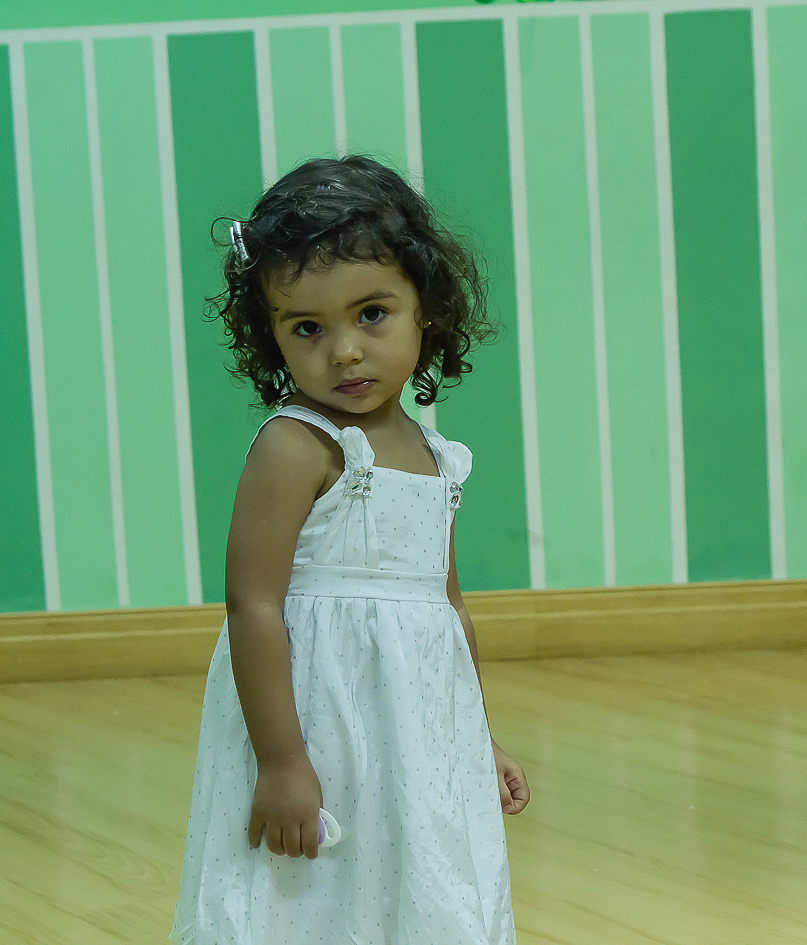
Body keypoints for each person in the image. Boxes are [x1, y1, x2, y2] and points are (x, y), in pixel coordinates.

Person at [170, 156, 530, 945]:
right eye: (307, 327)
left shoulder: (437, 456)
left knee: (417, 887)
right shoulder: (298, 447)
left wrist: (474, 734)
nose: (344, 350)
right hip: (315, 724)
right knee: (311, 899)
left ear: (425, 308)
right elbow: (252, 604)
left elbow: (446, 609)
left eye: (372, 313)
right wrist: (283, 761)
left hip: (412, 737)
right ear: (270, 336)